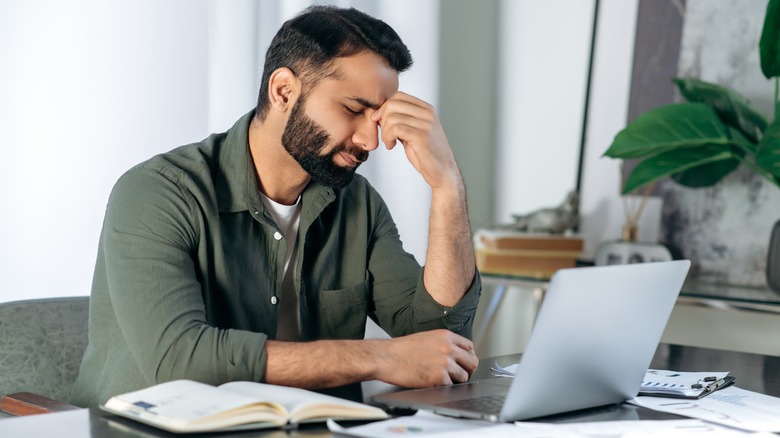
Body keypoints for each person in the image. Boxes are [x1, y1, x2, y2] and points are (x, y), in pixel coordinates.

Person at [70, 5, 481, 408]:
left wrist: (446, 186)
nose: (370, 141)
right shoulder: (157, 192)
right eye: (353, 110)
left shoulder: (357, 204)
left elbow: (439, 338)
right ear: (283, 90)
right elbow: (180, 359)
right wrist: (378, 358)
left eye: (376, 120)